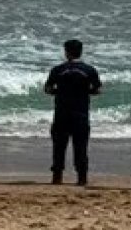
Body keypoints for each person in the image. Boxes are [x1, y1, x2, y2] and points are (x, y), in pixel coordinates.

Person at [44, 39, 102, 186]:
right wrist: (85, 92)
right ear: (80, 51)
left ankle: (57, 177)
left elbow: (48, 89)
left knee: (59, 146)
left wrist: (59, 91)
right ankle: (82, 178)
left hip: (62, 113)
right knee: (81, 146)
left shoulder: (58, 70)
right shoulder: (89, 70)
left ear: (67, 52)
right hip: (81, 114)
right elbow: (98, 90)